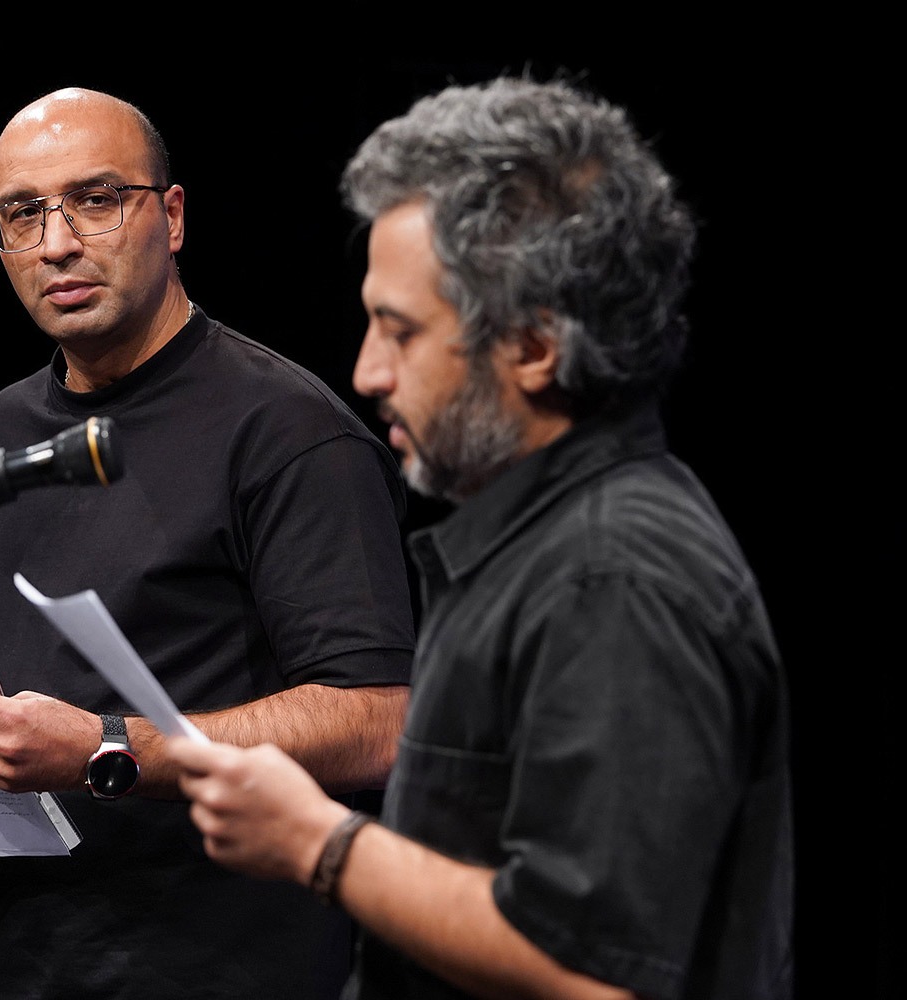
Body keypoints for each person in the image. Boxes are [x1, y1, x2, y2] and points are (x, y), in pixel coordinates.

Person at [170, 76, 794, 1000]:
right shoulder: (537, 542)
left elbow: (596, 974)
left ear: (535, 348)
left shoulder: (613, 577)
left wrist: (319, 843)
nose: (367, 371)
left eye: (401, 331)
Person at [0, 87, 419, 1000]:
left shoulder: (289, 431)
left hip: (225, 974)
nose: (57, 243)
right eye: (23, 214)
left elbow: (379, 724)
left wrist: (106, 750)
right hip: (5, 970)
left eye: (96, 200)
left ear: (173, 217)